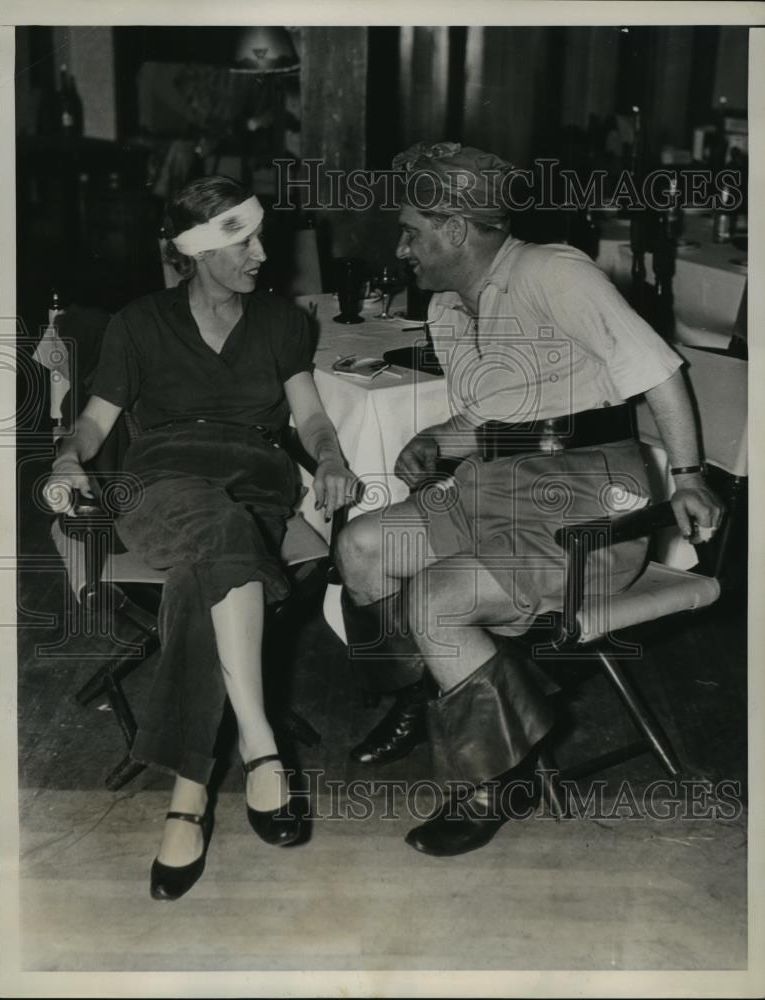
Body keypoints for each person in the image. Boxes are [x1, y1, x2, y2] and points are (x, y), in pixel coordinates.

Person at [336, 141, 724, 857]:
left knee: (435, 598)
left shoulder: (554, 272)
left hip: (589, 502)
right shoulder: (451, 302)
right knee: (360, 547)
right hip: (495, 488)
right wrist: (440, 441)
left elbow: (659, 373)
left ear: (456, 229)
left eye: (412, 231)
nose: (401, 247)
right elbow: (506, 413)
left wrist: (692, 475)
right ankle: (426, 699)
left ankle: (494, 779)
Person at [44, 176, 357, 899]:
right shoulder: (139, 323)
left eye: (257, 236)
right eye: (243, 240)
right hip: (159, 482)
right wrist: (69, 455)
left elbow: (309, 420)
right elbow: (95, 421)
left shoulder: (283, 322)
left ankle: (189, 797)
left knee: (207, 567)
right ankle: (259, 744)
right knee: (219, 534)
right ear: (201, 250)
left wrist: (332, 457)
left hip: (255, 482)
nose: (261, 252)